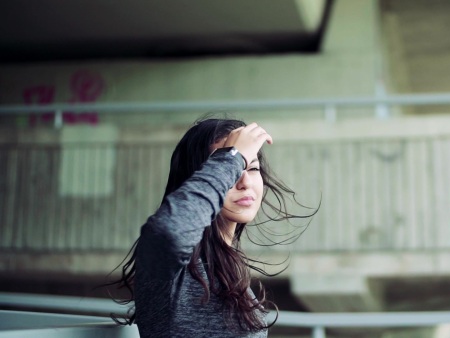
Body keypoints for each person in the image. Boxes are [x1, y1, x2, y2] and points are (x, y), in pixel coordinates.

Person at [108, 118, 314, 337]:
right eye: (231, 170)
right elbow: (169, 232)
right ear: (201, 178)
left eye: (252, 167)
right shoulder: (173, 268)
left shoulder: (229, 271)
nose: (244, 181)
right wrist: (231, 158)